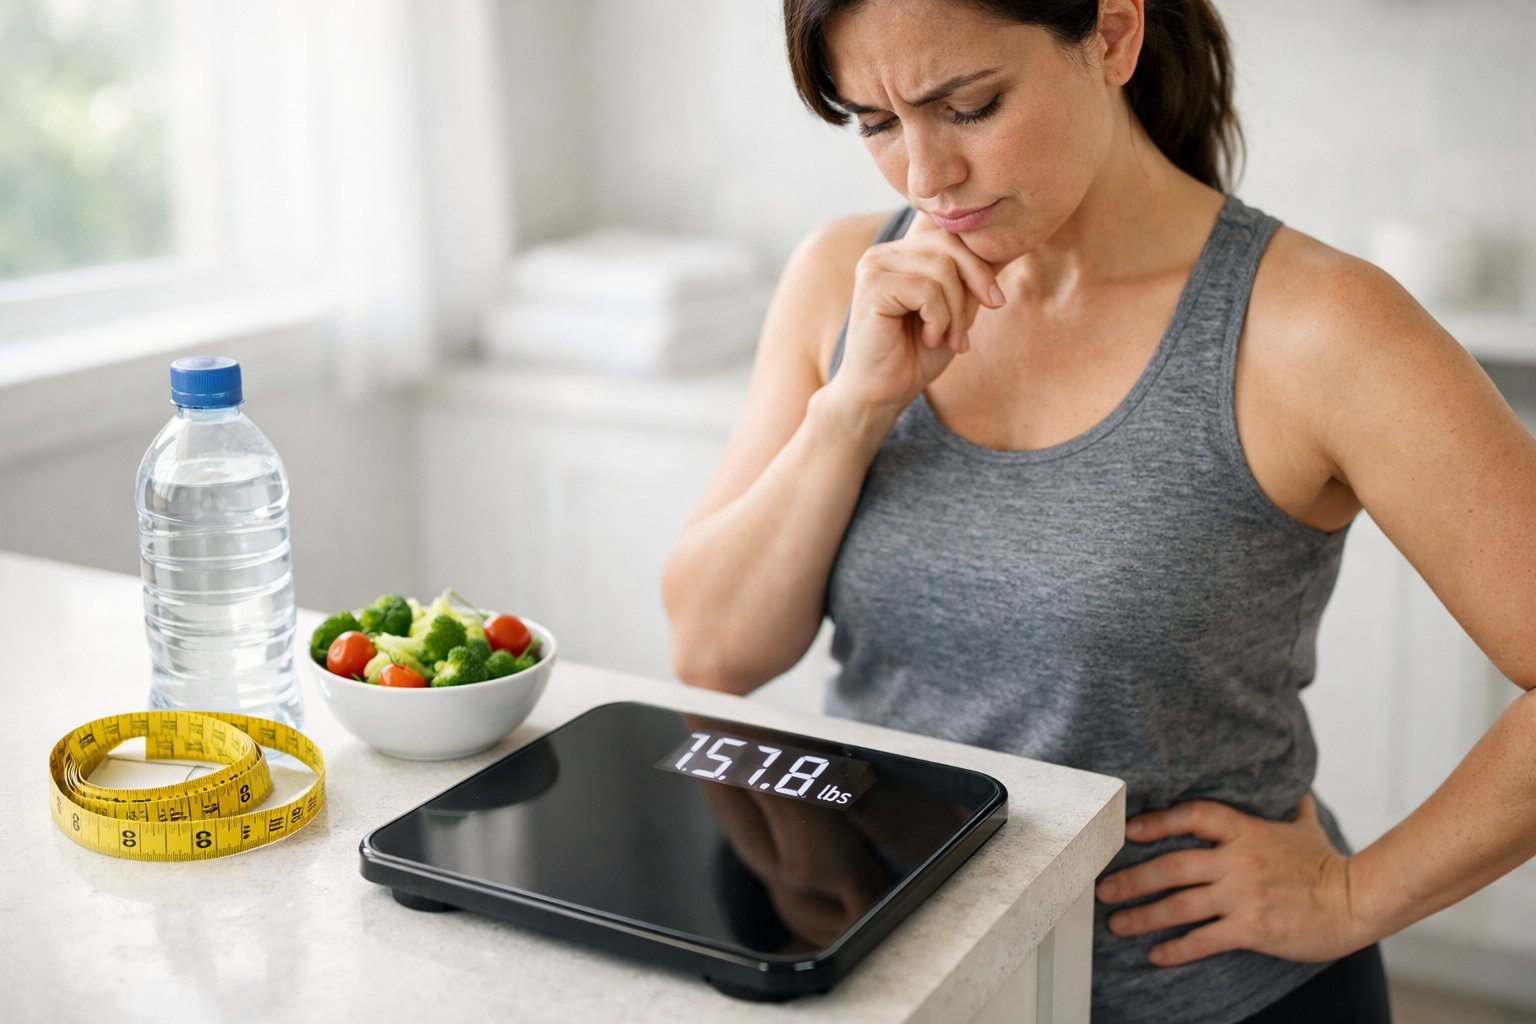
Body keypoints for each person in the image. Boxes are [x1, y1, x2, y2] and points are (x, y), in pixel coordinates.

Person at [661, 0, 1536, 1020]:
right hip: (907, 980)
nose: (924, 176)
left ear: (1113, 36)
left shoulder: (1316, 327)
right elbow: (716, 654)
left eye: (971, 106)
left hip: (1203, 1001)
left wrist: (1351, 894)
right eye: (877, 121)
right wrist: (852, 409)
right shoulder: (844, 280)